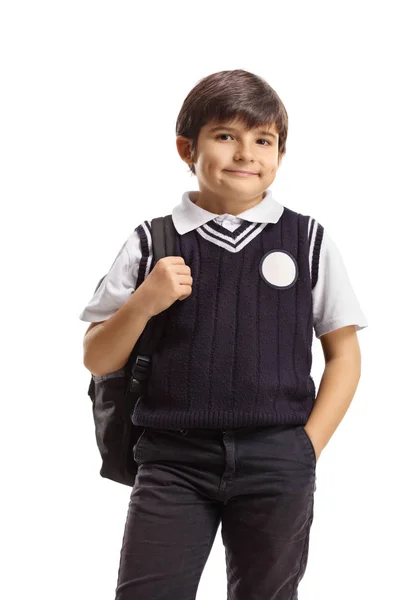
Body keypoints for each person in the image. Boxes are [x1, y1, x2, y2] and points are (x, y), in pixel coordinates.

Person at [80, 69, 368, 600]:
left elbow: (343, 353)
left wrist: (308, 447)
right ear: (187, 148)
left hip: (277, 459)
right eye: (225, 136)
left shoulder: (307, 240)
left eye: (264, 140)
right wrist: (144, 302)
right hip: (172, 461)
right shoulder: (153, 240)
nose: (246, 153)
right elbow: (98, 358)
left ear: (280, 155)